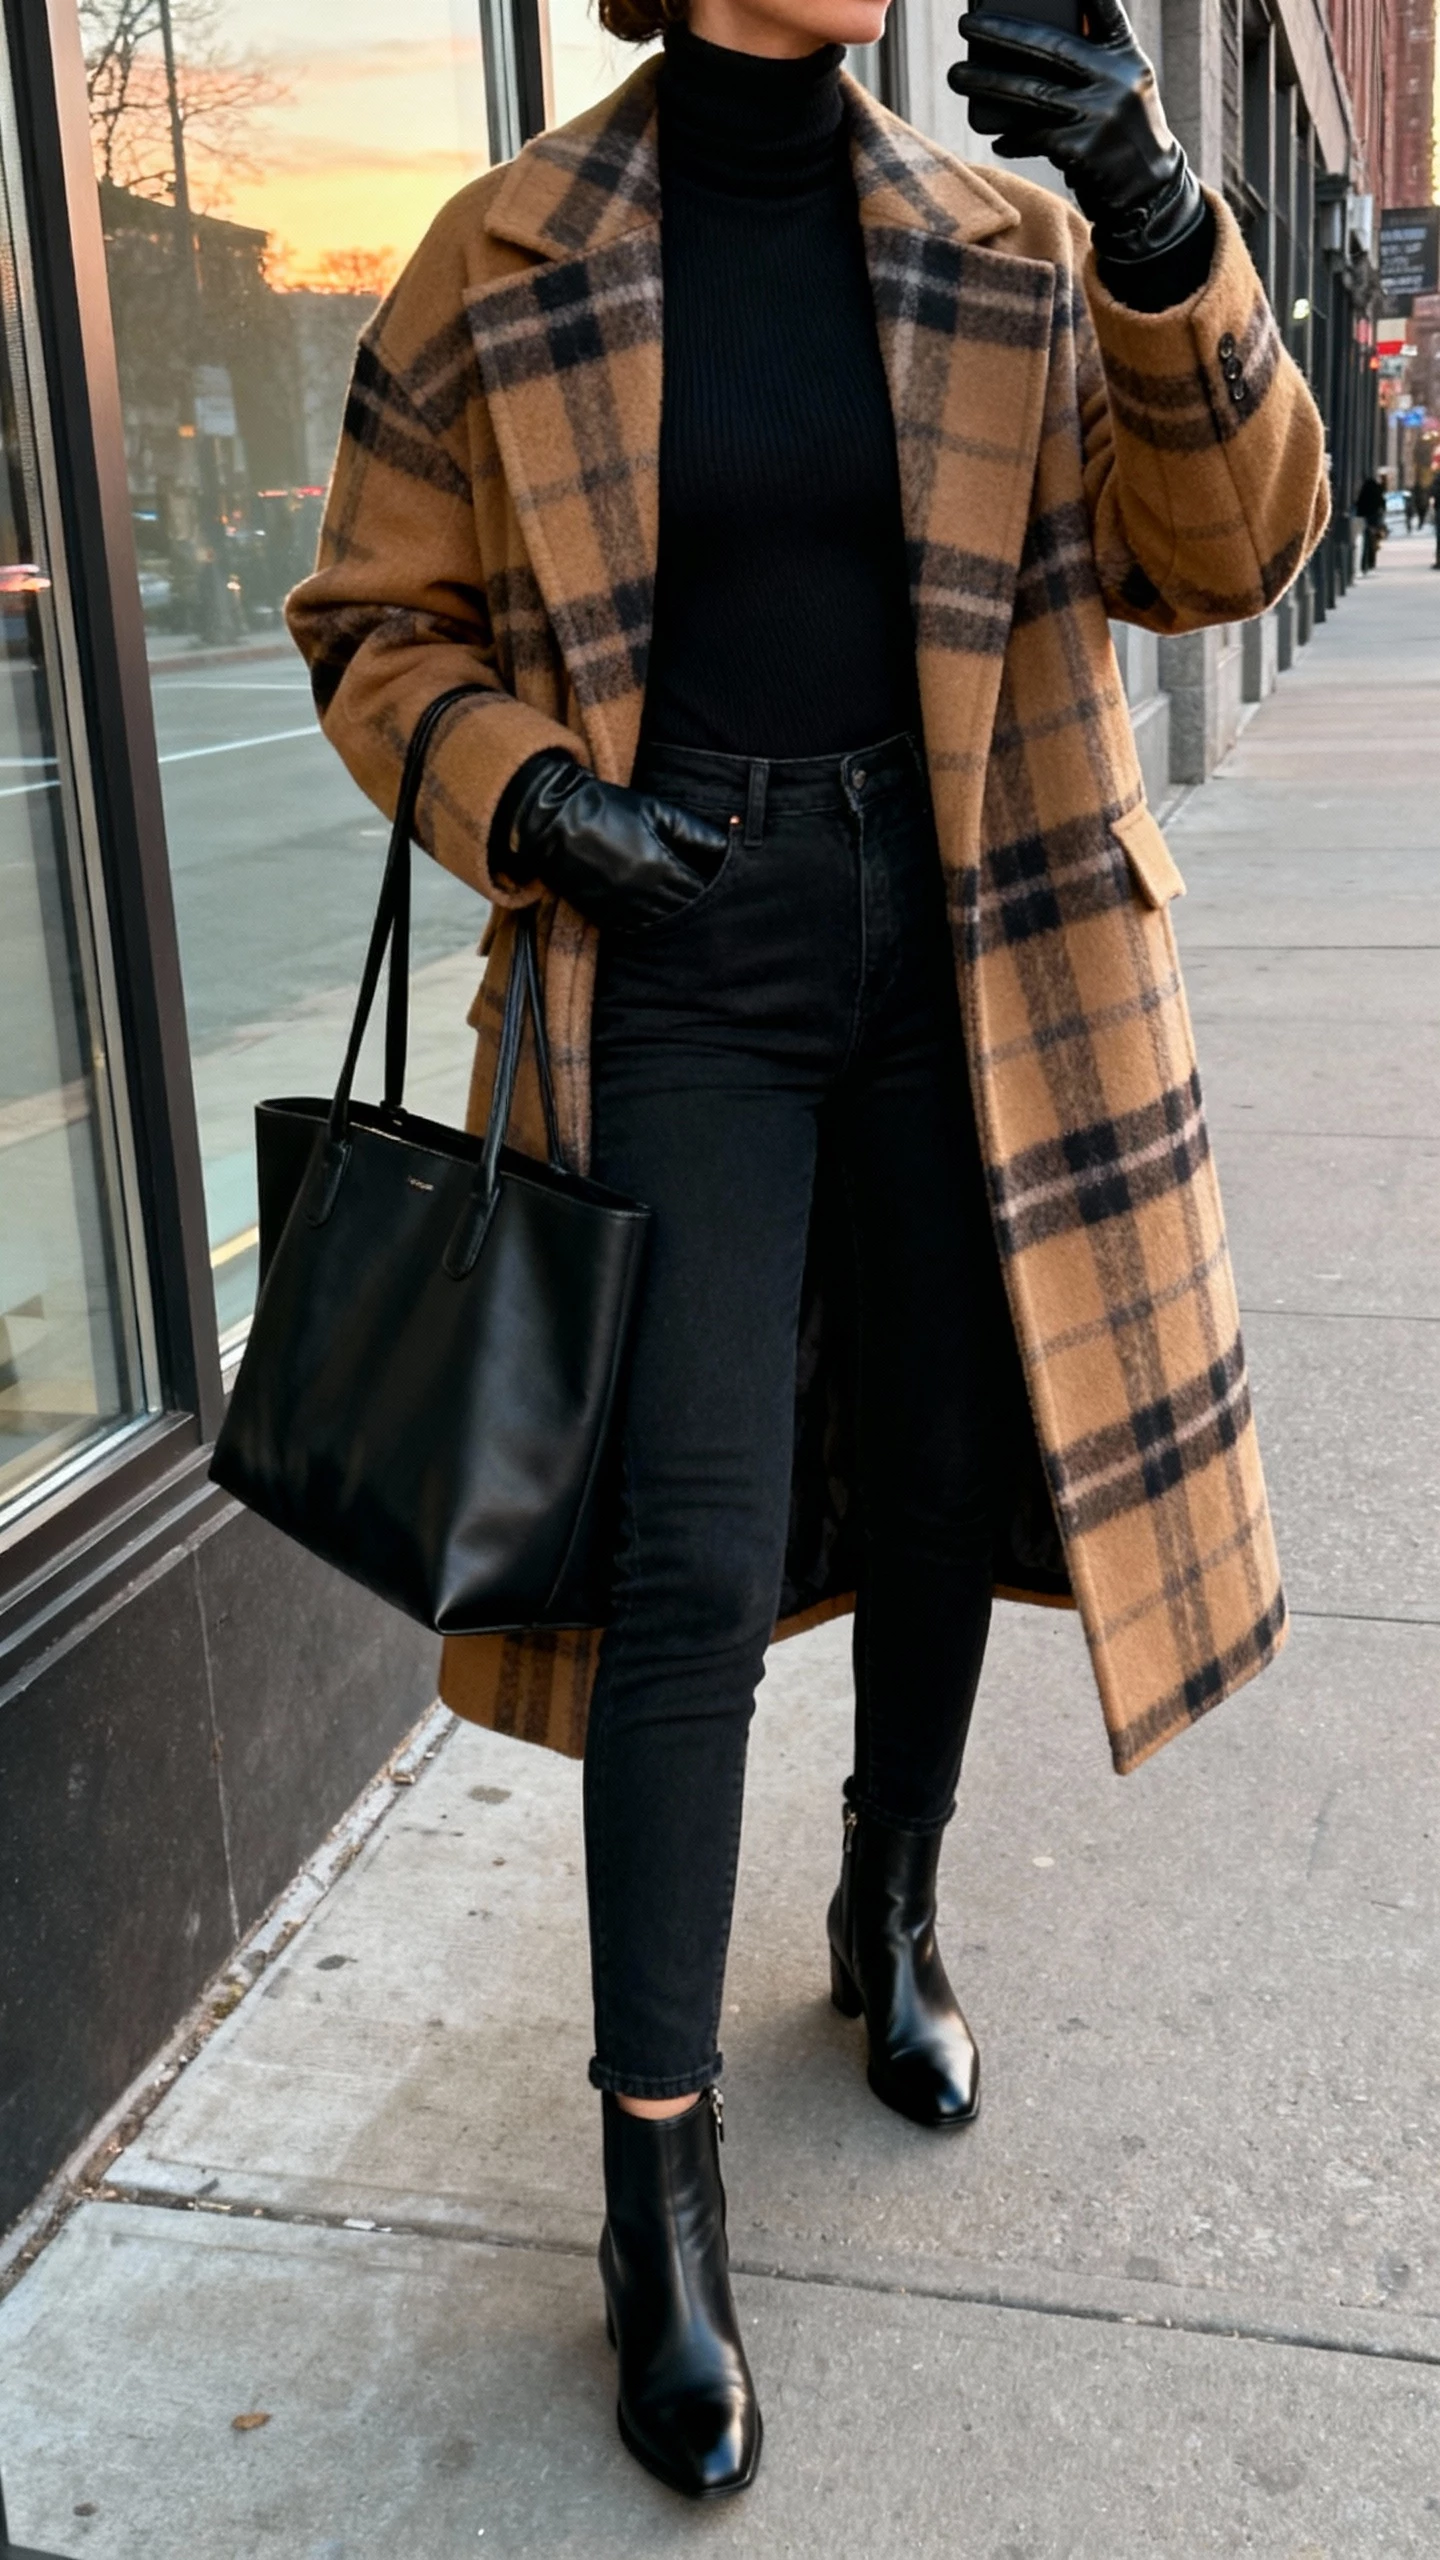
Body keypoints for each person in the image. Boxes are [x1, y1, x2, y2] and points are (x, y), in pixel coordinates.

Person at [287, 0, 1326, 2502]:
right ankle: (655, 2176)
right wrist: (535, 793)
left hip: (969, 927)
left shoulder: (997, 233)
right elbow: (366, 621)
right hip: (680, 956)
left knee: (954, 1456)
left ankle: (888, 1904)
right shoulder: (496, 254)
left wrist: (1168, 239)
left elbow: (1230, 551)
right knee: (685, 1550)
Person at [1355, 469, 1387, 572]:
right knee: (1373, 540)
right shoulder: (1378, 490)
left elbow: (1359, 504)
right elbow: (1382, 504)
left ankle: (1365, 563)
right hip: (1374, 517)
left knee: (1366, 540)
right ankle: (1371, 561)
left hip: (1366, 517)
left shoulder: (1365, 490)